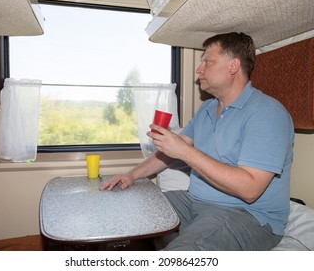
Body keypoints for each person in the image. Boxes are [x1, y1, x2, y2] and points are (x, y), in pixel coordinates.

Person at [99, 32, 294, 251]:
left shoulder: (267, 113)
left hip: (247, 215)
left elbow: (250, 189)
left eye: (208, 62)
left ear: (233, 66)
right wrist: (131, 174)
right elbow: (169, 152)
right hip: (195, 201)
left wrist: (184, 151)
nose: (198, 69)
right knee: (128, 208)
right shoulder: (207, 108)